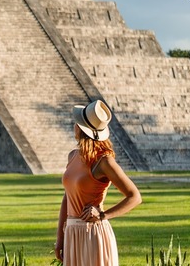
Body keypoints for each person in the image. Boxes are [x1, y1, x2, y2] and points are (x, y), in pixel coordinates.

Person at [55, 99, 142, 265]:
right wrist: (60, 237)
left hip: (92, 233)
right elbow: (67, 198)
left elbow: (135, 197)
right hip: (72, 232)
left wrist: (103, 215)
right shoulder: (73, 156)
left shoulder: (104, 162)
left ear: (81, 129)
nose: (74, 126)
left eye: (76, 123)